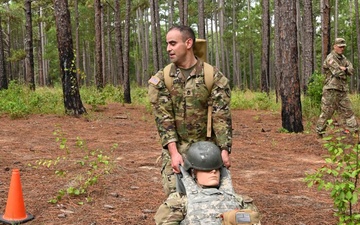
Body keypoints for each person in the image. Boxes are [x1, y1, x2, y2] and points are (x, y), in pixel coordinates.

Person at [148, 25, 232, 196]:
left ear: (188, 43)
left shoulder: (212, 76)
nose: (168, 49)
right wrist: (173, 153)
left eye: (173, 43)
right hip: (177, 152)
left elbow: (221, 116)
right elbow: (164, 120)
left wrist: (224, 150)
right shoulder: (163, 79)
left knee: (212, 201)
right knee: (177, 202)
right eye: (167, 44)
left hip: (208, 153)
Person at [154, 141, 261, 225]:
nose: (213, 172)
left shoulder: (240, 201)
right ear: (193, 172)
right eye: (206, 169)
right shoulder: (179, 203)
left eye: (216, 169)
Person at [316, 37, 358, 137]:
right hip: (331, 90)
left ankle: (354, 132)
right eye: (340, 47)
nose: (342, 49)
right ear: (334, 46)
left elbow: (352, 70)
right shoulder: (330, 58)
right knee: (327, 113)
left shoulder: (343, 59)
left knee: (348, 111)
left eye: (343, 47)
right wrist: (345, 70)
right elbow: (337, 72)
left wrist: (345, 69)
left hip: (342, 90)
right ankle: (320, 132)